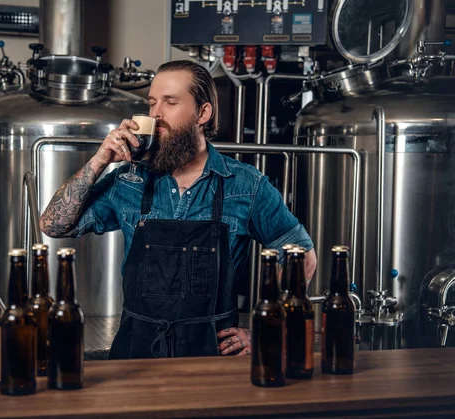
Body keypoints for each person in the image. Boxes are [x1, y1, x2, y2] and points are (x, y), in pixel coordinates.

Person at [39, 60, 317, 359]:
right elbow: (54, 226)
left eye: (170, 102)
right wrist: (99, 161)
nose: (155, 113)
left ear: (203, 113)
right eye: (152, 103)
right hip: (136, 350)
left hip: (212, 355)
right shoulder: (128, 181)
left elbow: (302, 257)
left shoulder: (246, 186)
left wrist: (268, 328)